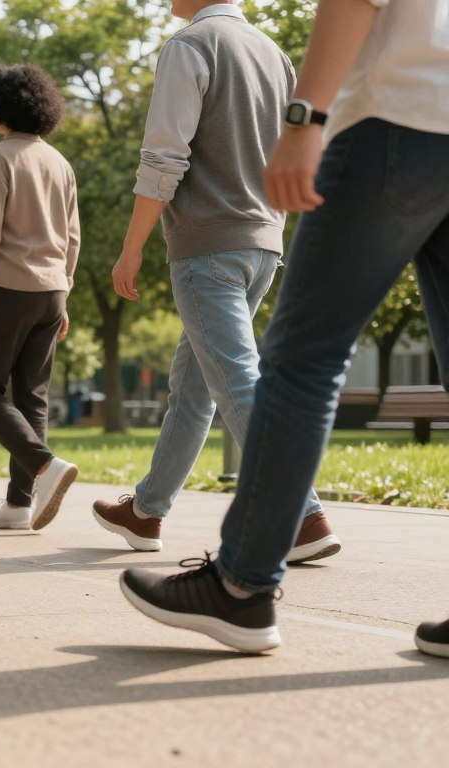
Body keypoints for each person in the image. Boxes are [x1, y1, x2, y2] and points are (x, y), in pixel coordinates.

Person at [120, 0, 449, 656]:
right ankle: (160, 510)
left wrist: (307, 117)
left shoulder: (192, 46)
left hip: (396, 115)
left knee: (303, 359)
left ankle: (242, 585)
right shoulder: (265, 48)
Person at [91, 0, 339, 564]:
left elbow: (163, 156)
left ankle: (302, 515)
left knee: (237, 382)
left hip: (209, 246)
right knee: (195, 386)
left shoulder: (190, 46)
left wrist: (131, 251)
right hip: (262, 245)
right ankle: (147, 511)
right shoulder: (273, 53)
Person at [0, 64, 80, 532]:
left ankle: (45, 466)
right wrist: (63, 294)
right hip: (51, 292)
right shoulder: (59, 162)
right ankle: (20, 504)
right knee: (32, 399)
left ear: (4, 108)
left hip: (10, 288)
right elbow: (72, 238)